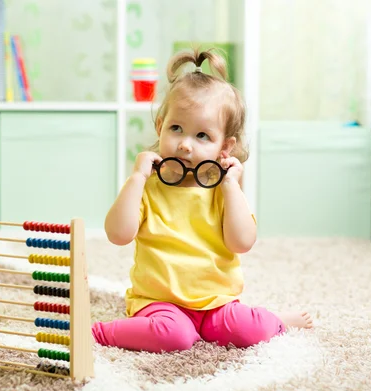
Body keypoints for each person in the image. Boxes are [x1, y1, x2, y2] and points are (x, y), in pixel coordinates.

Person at [92, 48, 313, 353]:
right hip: (159, 303)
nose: (184, 145)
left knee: (252, 329)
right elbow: (118, 235)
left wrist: (232, 187)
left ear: (225, 147)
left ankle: (274, 320)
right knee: (174, 336)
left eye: (202, 136)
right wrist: (137, 179)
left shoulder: (222, 192)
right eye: (176, 129)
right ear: (160, 127)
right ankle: (98, 332)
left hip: (217, 304)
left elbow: (242, 242)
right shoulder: (149, 186)